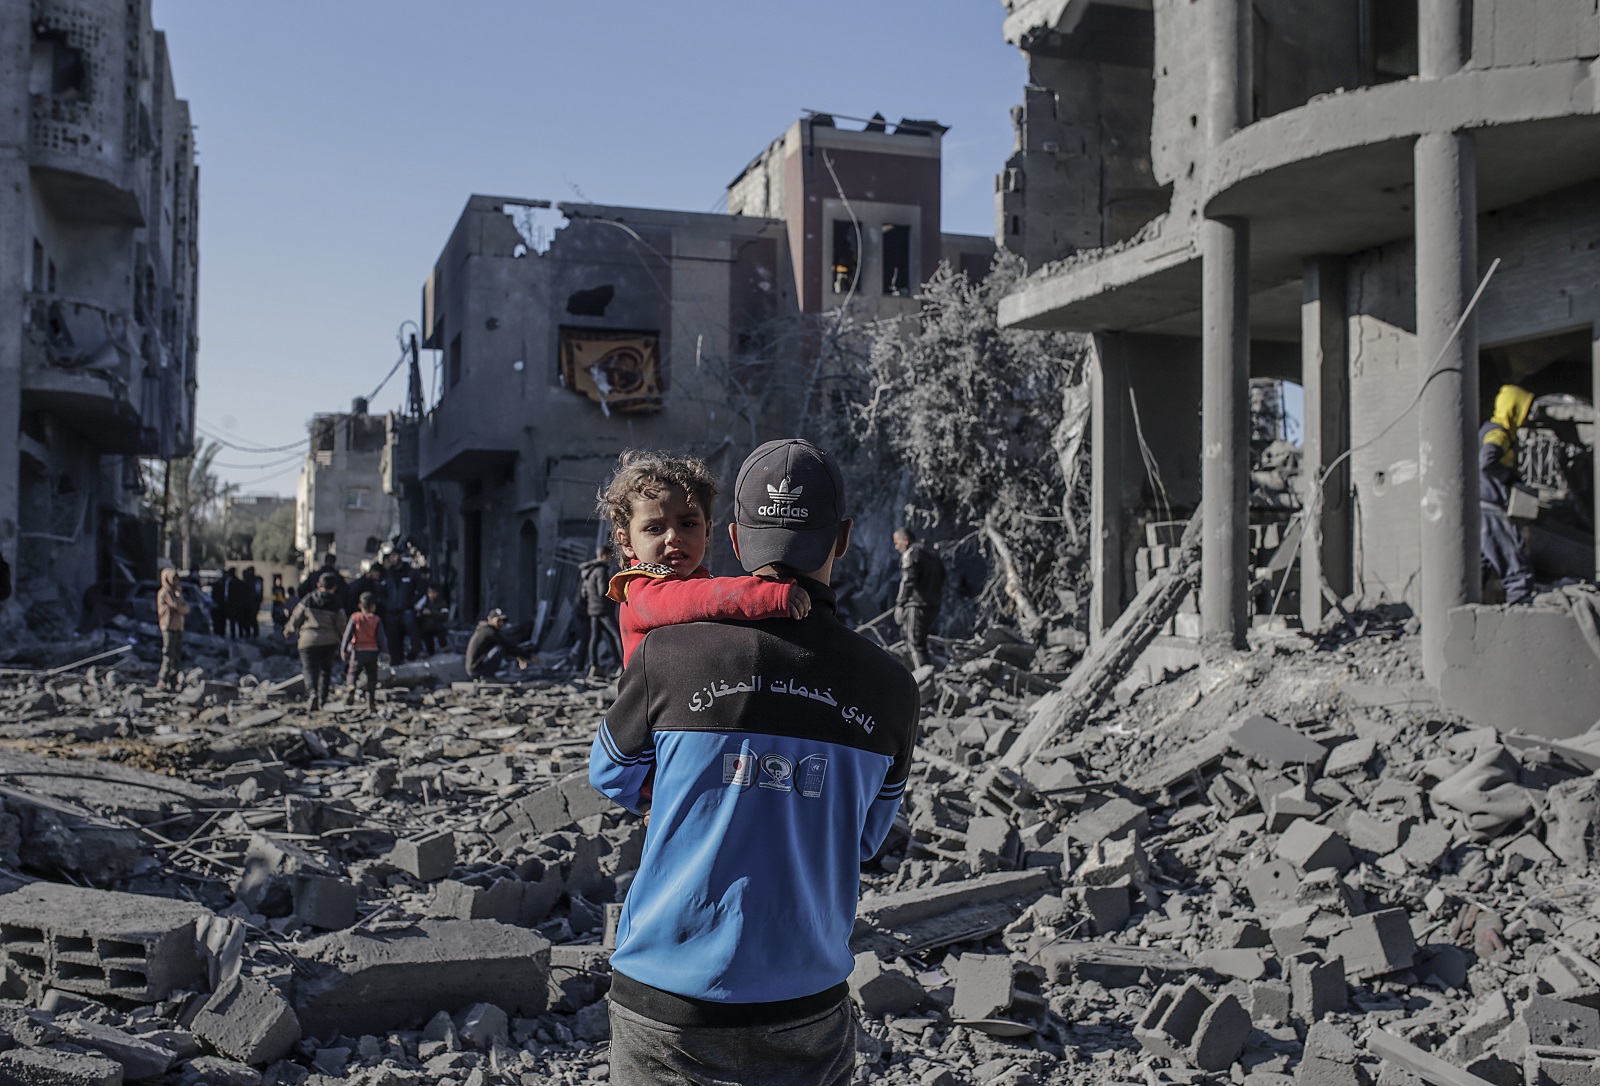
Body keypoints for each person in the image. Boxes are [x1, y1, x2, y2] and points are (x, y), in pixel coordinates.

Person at [589, 438, 920, 1086]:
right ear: (845, 538)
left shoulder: (670, 655)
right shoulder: (891, 690)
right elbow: (865, 838)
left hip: (665, 1004)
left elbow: (611, 773)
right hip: (805, 1001)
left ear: (732, 539)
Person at [597, 449, 810, 669]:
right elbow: (693, 600)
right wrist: (767, 594)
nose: (673, 537)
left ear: (707, 532)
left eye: (687, 524)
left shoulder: (699, 581)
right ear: (627, 543)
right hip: (656, 703)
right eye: (655, 528)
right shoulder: (642, 590)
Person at [1480, 384, 1537, 605]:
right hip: (1491, 509)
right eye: (1525, 410)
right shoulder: (1498, 433)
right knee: (1517, 570)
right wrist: (1509, 479)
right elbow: (1486, 462)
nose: (1528, 417)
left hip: (1478, 510)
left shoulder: (1487, 430)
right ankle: (1522, 619)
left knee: (1475, 573)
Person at [286, 572, 347, 711]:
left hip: (308, 641)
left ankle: (312, 693)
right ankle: (323, 698)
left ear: (318, 585)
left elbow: (297, 615)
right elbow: (342, 623)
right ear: (335, 587)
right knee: (326, 670)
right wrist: (345, 638)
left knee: (309, 669)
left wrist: (290, 628)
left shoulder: (308, 599)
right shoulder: (336, 602)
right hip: (329, 641)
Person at [893, 526, 946, 670]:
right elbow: (943, 577)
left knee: (913, 642)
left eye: (897, 543)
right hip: (933, 604)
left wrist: (900, 604)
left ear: (905, 540)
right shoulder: (931, 553)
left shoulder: (911, 554)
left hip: (915, 604)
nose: (896, 547)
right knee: (917, 640)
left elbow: (907, 580)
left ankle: (924, 681)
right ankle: (922, 674)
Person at [576, 544, 623, 680]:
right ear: (603, 556)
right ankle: (623, 664)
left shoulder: (589, 571)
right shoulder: (601, 571)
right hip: (603, 609)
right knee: (616, 635)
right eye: (609, 557)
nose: (610, 560)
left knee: (594, 638)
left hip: (592, 609)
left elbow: (585, 593)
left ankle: (594, 666)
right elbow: (603, 591)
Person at [340, 591, 388, 711]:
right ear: (373, 606)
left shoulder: (355, 617)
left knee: (352, 672)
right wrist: (385, 651)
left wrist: (343, 648)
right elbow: (381, 637)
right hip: (372, 651)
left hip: (358, 651)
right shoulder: (376, 619)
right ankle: (370, 702)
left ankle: (351, 686)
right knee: (372, 677)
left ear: (360, 605)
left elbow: (347, 634)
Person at [465, 608, 531, 679]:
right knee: (499, 648)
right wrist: (528, 656)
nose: (501, 623)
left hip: (473, 669)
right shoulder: (490, 632)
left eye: (502, 621)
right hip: (475, 671)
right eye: (498, 621)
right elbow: (507, 646)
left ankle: (487, 675)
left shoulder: (484, 629)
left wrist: (519, 656)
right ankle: (487, 676)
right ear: (490, 620)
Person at [380, 548, 419, 664]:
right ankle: (396, 660)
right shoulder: (387, 574)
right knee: (393, 639)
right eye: (390, 556)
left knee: (413, 633)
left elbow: (420, 590)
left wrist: (411, 603)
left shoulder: (411, 572)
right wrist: (387, 604)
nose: (392, 559)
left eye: (394, 555)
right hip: (391, 612)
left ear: (400, 556)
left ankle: (416, 654)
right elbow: (382, 592)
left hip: (406, 610)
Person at [155, 567, 190, 692]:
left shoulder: (176, 593)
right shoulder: (164, 593)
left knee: (177, 655)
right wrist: (177, 603)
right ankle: (162, 679)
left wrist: (179, 599)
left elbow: (185, 609)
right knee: (168, 654)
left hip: (178, 627)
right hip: (168, 627)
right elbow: (175, 606)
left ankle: (174, 680)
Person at [414, 584, 449, 656]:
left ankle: (443, 646)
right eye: (429, 592)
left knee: (440, 628)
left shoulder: (441, 603)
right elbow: (417, 611)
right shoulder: (424, 601)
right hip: (426, 626)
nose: (431, 595)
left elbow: (444, 615)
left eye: (433, 592)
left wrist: (431, 613)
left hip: (437, 624)